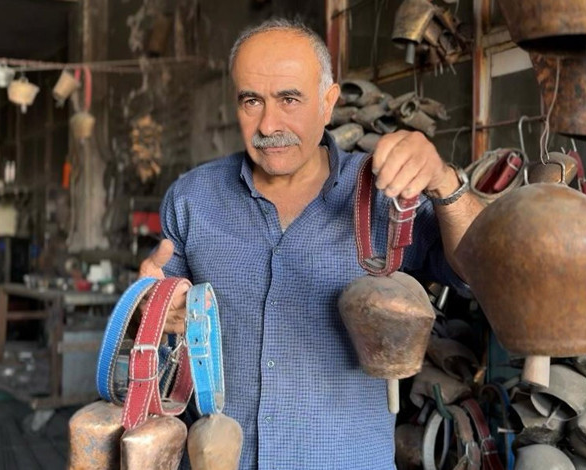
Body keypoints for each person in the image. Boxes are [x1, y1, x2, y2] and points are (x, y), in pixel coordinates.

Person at [139, 17, 483, 470]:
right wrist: (150, 306)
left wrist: (443, 183)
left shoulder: (387, 192)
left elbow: (478, 269)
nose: (268, 124)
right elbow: (160, 309)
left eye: (289, 99)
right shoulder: (192, 198)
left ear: (328, 102)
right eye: (251, 101)